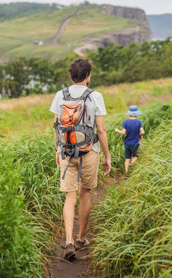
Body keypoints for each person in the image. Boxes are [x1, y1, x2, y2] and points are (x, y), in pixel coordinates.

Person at [50, 58, 111, 260]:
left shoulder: (60, 95)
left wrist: (58, 150)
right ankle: (80, 238)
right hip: (89, 151)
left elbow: (57, 126)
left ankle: (67, 241)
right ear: (87, 75)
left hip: (66, 151)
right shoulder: (96, 96)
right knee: (85, 193)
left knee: (69, 197)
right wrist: (107, 156)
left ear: (71, 76)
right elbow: (100, 129)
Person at [115, 105, 145, 174]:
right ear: (136, 114)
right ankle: (132, 163)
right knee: (135, 156)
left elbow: (123, 132)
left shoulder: (126, 122)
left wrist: (117, 131)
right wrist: (140, 135)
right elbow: (143, 132)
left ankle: (126, 173)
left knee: (127, 158)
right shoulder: (139, 122)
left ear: (129, 113)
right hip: (135, 143)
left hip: (127, 143)